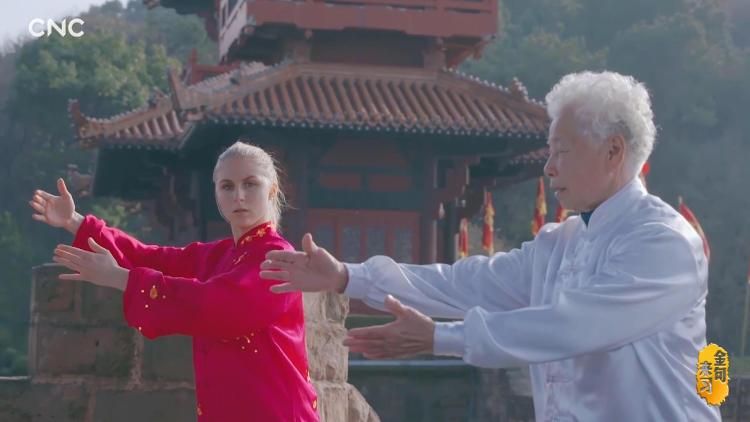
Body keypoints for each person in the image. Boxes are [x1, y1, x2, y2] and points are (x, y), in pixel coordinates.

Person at [259, 72, 722, 421]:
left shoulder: (664, 242)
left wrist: (439, 337)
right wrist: (347, 276)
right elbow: (467, 283)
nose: (549, 167)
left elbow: (572, 325)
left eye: (562, 150)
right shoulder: (560, 243)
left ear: (614, 151)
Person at [30, 141, 319, 421]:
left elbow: (215, 306)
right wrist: (75, 221)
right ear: (216, 194)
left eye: (250, 184)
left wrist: (120, 278)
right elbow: (148, 257)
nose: (239, 196)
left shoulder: (278, 258)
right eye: (227, 186)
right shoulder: (217, 255)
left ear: (272, 190)